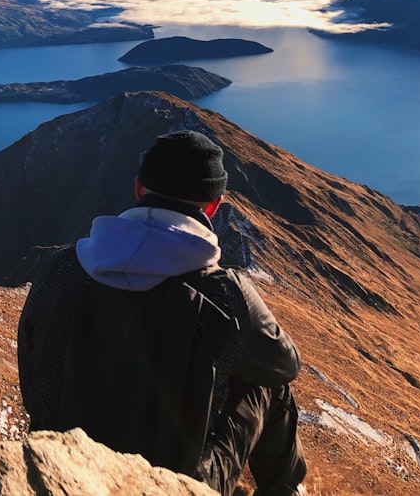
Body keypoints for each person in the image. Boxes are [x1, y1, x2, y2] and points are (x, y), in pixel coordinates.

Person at [17, 129, 307, 496]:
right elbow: (287, 364)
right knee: (270, 378)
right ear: (214, 206)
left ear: (139, 189)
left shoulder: (61, 269)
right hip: (179, 483)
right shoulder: (223, 291)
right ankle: (285, 490)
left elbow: (31, 361)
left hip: (65, 464)